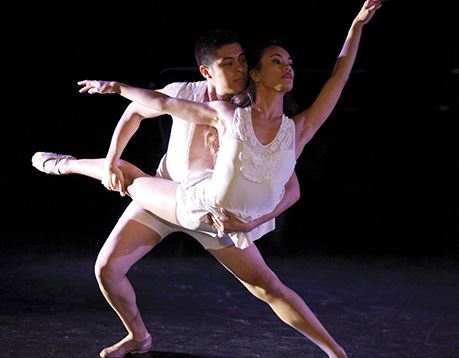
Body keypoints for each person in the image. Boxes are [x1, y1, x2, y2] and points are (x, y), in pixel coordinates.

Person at [33, 1, 381, 356]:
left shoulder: (291, 129)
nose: (240, 68)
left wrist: (356, 27)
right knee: (111, 249)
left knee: (268, 287)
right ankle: (67, 166)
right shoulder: (216, 109)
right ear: (207, 71)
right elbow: (152, 105)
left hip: (220, 219)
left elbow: (337, 81)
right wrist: (117, 95)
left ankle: (337, 353)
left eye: (243, 60)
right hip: (177, 197)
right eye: (230, 63)